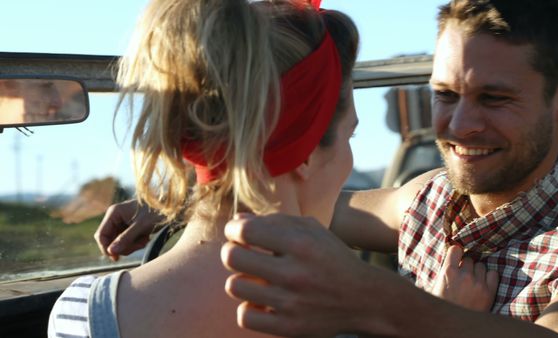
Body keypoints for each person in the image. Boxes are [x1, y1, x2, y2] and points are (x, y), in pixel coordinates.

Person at [49, 1, 496, 338]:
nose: (349, 160)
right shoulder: (337, 320)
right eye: (349, 136)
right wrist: (442, 320)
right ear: (304, 151)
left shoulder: (78, 312)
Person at [217, 0, 558, 336]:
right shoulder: (430, 198)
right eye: (445, 95)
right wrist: (178, 202)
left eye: (494, 98)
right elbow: (308, 208)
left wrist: (380, 304)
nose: (460, 126)